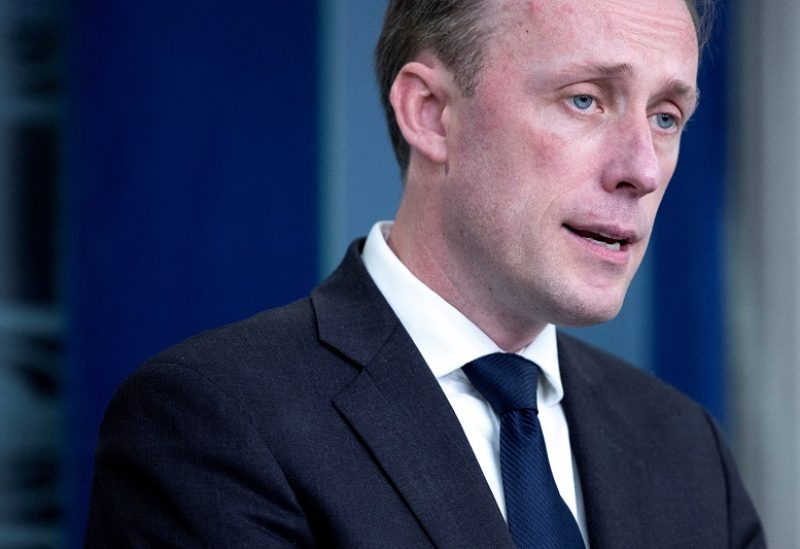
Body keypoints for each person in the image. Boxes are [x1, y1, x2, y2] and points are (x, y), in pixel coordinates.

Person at [85, 0, 766, 547]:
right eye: (585, 99)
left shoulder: (687, 448)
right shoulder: (213, 422)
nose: (643, 170)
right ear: (432, 114)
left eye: (667, 116)